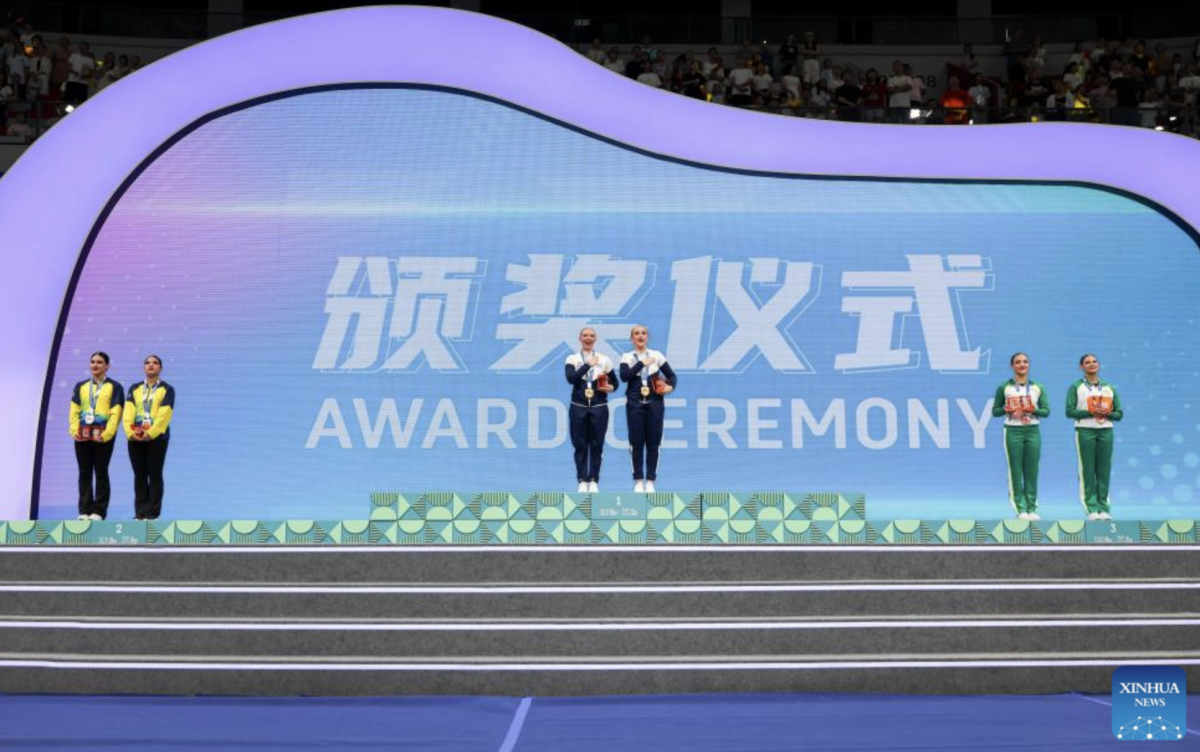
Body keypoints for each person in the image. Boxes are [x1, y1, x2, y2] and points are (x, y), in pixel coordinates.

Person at [990, 353, 1050, 521]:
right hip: (1013, 430)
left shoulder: (1038, 387)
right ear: (1012, 366)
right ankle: (1020, 508)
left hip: (1032, 430)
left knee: (1032, 471)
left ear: (1029, 365)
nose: (1022, 364)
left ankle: (1032, 508)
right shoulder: (1004, 388)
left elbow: (1046, 411)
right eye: (1018, 362)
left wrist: (1033, 410)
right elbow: (995, 411)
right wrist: (1007, 410)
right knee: (1015, 470)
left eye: (1025, 362)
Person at [619, 325, 677, 493]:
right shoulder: (627, 357)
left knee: (654, 443)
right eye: (636, 333)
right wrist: (641, 363)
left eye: (644, 333)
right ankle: (638, 481)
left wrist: (670, 387)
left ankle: (650, 481)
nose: (640, 335)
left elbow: (672, 376)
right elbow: (624, 377)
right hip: (635, 403)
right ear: (632, 339)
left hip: (655, 404)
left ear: (648, 338)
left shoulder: (657, 355)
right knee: (636, 443)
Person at [1066, 354, 1123, 521]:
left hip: (1106, 431)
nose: (1091, 364)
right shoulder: (1076, 387)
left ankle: (1104, 508)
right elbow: (1069, 411)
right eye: (1087, 362)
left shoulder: (1109, 388)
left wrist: (1109, 413)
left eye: (1094, 361)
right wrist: (1090, 412)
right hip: (1085, 431)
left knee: (1104, 471)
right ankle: (1091, 508)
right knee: (1087, 471)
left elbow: (1119, 414)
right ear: (1081, 367)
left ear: (1099, 365)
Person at [69, 352, 123, 521]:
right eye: (92, 362)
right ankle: (84, 510)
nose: (95, 365)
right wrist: (74, 430)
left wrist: (107, 434)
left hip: (103, 437)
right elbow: (74, 411)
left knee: (101, 472)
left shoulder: (115, 387)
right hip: (82, 436)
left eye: (100, 362)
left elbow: (116, 413)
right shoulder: (81, 386)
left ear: (107, 366)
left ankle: (99, 511)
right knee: (84, 472)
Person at [123, 354, 175, 520]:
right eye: (147, 363)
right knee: (139, 475)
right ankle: (140, 513)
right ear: (144, 367)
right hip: (135, 438)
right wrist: (131, 433)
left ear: (160, 368)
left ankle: (152, 514)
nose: (151, 365)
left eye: (155, 363)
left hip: (157, 438)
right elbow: (128, 413)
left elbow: (164, 415)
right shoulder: (134, 388)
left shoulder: (167, 389)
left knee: (154, 474)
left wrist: (150, 433)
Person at [564, 328, 616, 493]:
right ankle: (582, 480)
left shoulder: (605, 359)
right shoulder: (572, 358)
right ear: (580, 338)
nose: (588, 338)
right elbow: (571, 379)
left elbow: (615, 383)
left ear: (595, 339)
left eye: (591, 335)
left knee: (596, 444)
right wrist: (588, 365)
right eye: (585, 335)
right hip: (578, 406)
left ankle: (593, 480)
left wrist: (610, 387)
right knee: (580, 444)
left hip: (599, 407)